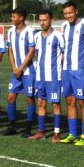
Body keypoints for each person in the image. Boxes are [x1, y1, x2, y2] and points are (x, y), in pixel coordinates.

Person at [59, 1, 84, 146]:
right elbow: (65, 48)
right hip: (66, 70)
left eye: (70, 12)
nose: (68, 16)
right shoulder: (64, 26)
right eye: (65, 13)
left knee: (82, 101)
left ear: (76, 11)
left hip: (80, 70)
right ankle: (72, 134)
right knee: (70, 101)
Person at [28, 10, 65, 141]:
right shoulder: (36, 36)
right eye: (41, 20)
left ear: (51, 20)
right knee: (41, 103)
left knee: (55, 104)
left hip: (54, 77)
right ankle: (41, 131)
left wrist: (59, 68)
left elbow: (63, 54)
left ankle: (56, 133)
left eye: (45, 20)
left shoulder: (58, 36)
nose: (42, 22)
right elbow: (36, 53)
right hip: (40, 77)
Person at [6, 8, 36, 136]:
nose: (12, 19)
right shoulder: (11, 31)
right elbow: (10, 50)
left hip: (29, 71)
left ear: (21, 18)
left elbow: (31, 51)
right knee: (11, 97)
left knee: (30, 98)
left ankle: (28, 127)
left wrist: (21, 68)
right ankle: (12, 126)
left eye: (14, 17)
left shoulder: (30, 31)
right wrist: (14, 68)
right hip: (16, 71)